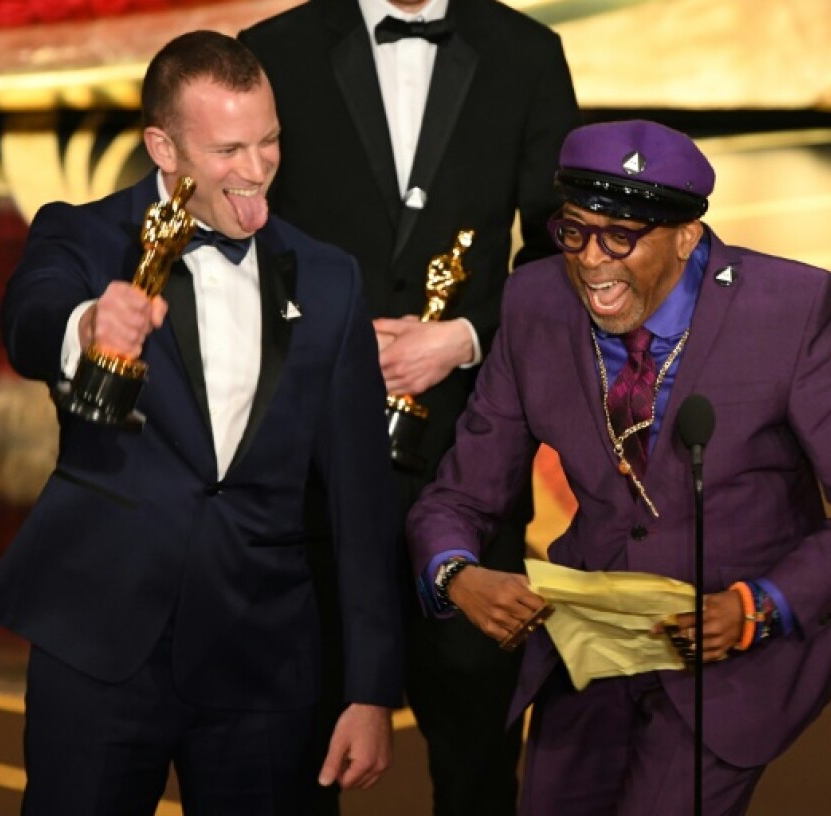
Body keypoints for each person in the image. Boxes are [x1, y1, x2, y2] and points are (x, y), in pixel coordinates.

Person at [408, 119, 831, 814]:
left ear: (686, 236)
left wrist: (759, 606)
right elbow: (460, 493)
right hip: (591, 646)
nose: (591, 260)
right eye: (575, 231)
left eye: (620, 236)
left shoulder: (790, 311)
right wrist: (455, 573)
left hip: (730, 655)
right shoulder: (534, 302)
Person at [0, 31, 403, 814]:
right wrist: (86, 326)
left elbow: (362, 496)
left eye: (269, 140)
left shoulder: (330, 278)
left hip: (263, 657)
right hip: (99, 643)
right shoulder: (84, 234)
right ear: (163, 148)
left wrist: (371, 687)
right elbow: (30, 317)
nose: (257, 168)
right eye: (229, 149)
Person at [240, 1, 578, 812]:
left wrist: (465, 336)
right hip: (304, 471)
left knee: (477, 760)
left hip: (469, 463)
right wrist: (322, 335)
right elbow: (235, 233)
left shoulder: (528, 53)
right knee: (295, 756)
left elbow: (565, 245)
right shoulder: (272, 50)